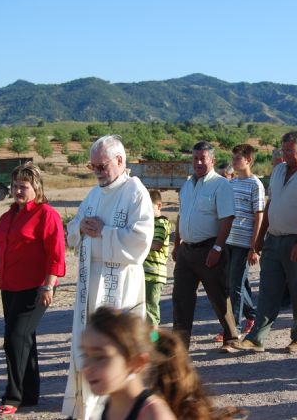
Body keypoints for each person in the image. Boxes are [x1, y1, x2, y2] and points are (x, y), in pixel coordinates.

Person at [63, 135, 155, 420]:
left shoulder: (136, 192)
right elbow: (73, 230)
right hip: (91, 284)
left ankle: (116, 409)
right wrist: (82, 227)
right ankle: (86, 409)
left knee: (115, 346)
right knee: (91, 343)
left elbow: (141, 240)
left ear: (119, 161)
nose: (98, 172)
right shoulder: (93, 194)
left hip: (121, 285)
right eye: (93, 167)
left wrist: (103, 231)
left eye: (102, 166)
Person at [0, 162, 65, 417]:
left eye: (23, 186)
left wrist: (48, 285)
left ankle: (13, 396)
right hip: (9, 287)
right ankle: (31, 393)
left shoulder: (47, 215)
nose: (17, 191)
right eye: (14, 186)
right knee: (24, 338)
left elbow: (55, 254)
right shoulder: (7, 217)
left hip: (36, 288)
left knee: (14, 339)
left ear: (36, 187)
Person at [235, 131, 297, 353]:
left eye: (289, 151)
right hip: (274, 240)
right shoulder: (278, 171)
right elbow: (271, 205)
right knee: (268, 289)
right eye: (283, 150)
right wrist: (258, 240)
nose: (284, 155)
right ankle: (256, 337)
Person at [81, 306, 240, 420]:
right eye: (84, 354)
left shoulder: (153, 414)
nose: (86, 367)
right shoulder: (112, 404)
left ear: (137, 362)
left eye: (100, 357)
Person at [172, 141, 239, 352]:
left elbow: (227, 219)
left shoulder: (221, 185)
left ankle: (231, 337)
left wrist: (217, 249)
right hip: (186, 251)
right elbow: (181, 215)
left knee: (218, 295)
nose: (198, 162)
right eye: (195, 158)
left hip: (209, 249)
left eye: (203, 158)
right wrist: (176, 245)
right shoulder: (187, 185)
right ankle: (179, 346)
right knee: (181, 298)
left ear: (212, 160)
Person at [219, 144, 265, 341]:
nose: (234, 161)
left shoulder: (256, 185)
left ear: (249, 160)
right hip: (229, 240)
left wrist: (254, 247)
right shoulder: (231, 184)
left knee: (234, 285)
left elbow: (259, 217)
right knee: (237, 283)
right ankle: (252, 315)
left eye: (238, 158)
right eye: (234, 157)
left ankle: (234, 328)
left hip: (244, 242)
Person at [143, 190, 171, 327]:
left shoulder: (161, 222)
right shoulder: (146, 223)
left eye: (149, 207)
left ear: (159, 206)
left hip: (154, 275)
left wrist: (136, 242)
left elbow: (156, 244)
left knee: (150, 312)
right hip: (144, 275)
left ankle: (154, 342)